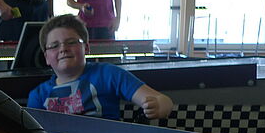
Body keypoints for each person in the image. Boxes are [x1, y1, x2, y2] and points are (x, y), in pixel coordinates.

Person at [27, 14, 173, 121]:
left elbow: (162, 100)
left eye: (71, 42)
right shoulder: (38, 96)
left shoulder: (108, 74)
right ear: (46, 57)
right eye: (54, 46)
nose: (63, 49)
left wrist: (160, 105)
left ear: (86, 48)